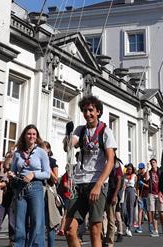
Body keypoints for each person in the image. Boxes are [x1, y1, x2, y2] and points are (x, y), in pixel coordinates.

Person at [63, 96, 117, 247]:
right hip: (79, 183)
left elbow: (111, 161)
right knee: (69, 230)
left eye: (91, 110)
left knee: (94, 231)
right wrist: (67, 135)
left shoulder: (106, 131)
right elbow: (68, 146)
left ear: (98, 112)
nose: (88, 114)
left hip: (97, 182)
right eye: (85, 111)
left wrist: (99, 184)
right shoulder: (80, 130)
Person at [10, 124, 50, 247]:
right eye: (29, 134)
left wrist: (34, 174)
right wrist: (11, 174)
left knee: (36, 222)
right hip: (20, 188)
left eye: (34, 134)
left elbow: (47, 174)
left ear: (36, 137)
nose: (31, 136)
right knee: (19, 223)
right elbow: (13, 170)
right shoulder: (18, 153)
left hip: (35, 187)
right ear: (24, 136)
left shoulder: (41, 152)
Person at [43, 142, 62, 247]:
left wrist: (48, 168)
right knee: (38, 222)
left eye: (44, 148)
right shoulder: (36, 160)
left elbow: (55, 179)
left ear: (48, 150)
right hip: (39, 191)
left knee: (51, 222)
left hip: (49, 193)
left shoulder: (52, 161)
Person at [142, 158, 163, 237]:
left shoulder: (160, 171)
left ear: (156, 163)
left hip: (160, 193)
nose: (152, 164)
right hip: (151, 193)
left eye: (153, 162)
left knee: (161, 212)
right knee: (153, 212)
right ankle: (155, 230)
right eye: (151, 163)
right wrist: (147, 169)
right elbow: (146, 179)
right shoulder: (150, 172)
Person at [121, 164, 137, 236]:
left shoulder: (134, 176)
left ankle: (129, 227)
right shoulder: (124, 176)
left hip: (131, 190)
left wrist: (137, 195)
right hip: (125, 191)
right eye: (128, 169)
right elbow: (122, 184)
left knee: (130, 208)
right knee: (123, 209)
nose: (129, 170)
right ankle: (127, 224)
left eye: (130, 169)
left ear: (132, 169)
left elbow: (136, 186)